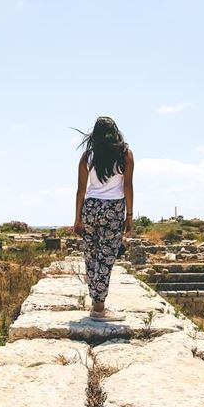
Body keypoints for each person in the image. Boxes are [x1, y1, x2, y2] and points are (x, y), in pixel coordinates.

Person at [73, 116, 134, 321]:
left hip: (90, 207)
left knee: (91, 256)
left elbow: (81, 189)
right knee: (106, 258)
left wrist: (77, 219)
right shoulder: (125, 155)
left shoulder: (88, 156)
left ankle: (96, 303)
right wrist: (130, 216)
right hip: (113, 209)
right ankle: (99, 309)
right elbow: (127, 187)